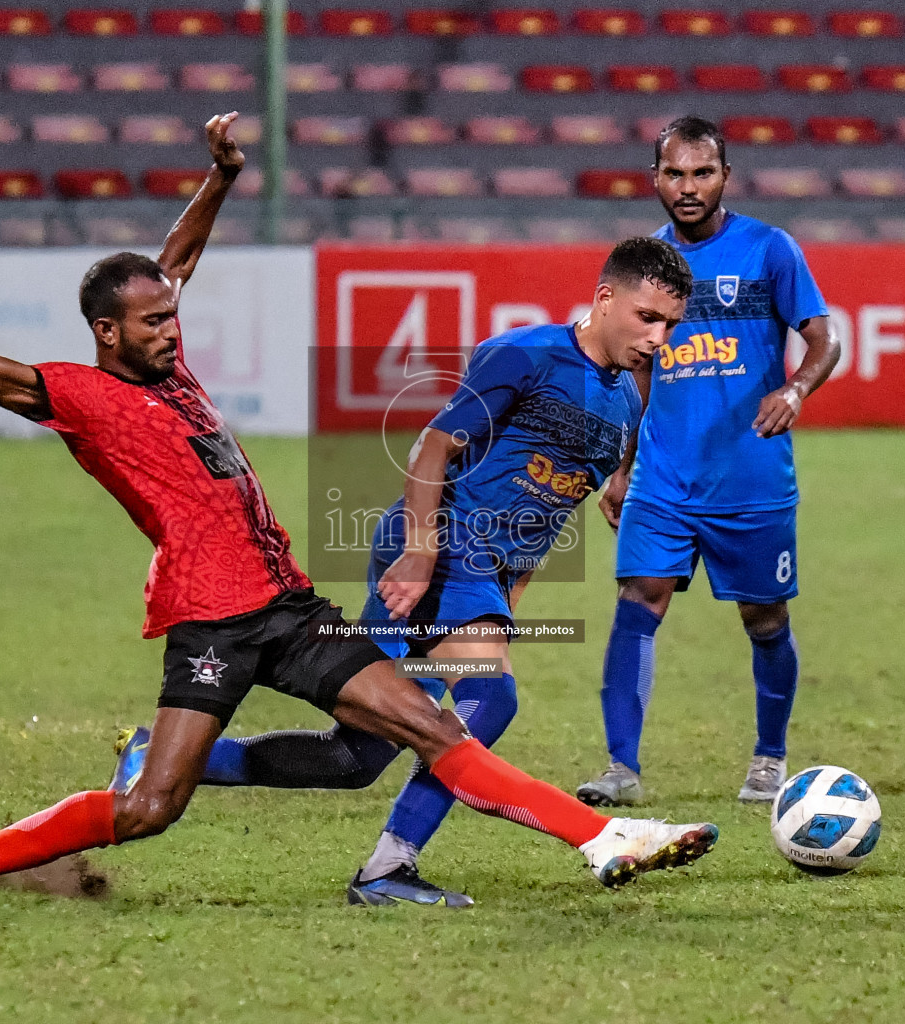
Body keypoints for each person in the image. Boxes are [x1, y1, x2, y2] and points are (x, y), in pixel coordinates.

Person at [0, 112, 716, 907]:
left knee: (425, 727)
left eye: (174, 318)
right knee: (148, 810)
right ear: (107, 334)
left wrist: (222, 178)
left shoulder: (171, 362)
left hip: (286, 606)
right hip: (210, 619)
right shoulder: (80, 395)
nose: (172, 331)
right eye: (154, 325)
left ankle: (600, 838)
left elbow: (176, 263)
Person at [109, 237, 705, 908]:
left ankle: (154, 756)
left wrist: (511, 593)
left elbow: (552, 503)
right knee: (491, 696)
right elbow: (432, 447)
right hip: (437, 548)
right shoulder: (525, 355)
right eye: (647, 317)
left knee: (353, 758)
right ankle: (389, 868)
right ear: (604, 299)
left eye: (670, 325)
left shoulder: (627, 400)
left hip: (481, 575)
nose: (659, 337)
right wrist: (420, 554)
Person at [576, 115, 841, 808]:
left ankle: (769, 757)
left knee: (764, 619)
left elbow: (823, 338)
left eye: (702, 173)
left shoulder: (769, 250)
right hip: (664, 477)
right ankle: (621, 770)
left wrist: (795, 387)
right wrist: (623, 464)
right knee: (638, 600)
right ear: (654, 179)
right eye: (675, 173)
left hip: (749, 477)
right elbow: (635, 373)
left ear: (726, 177)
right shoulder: (643, 268)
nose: (688, 187)